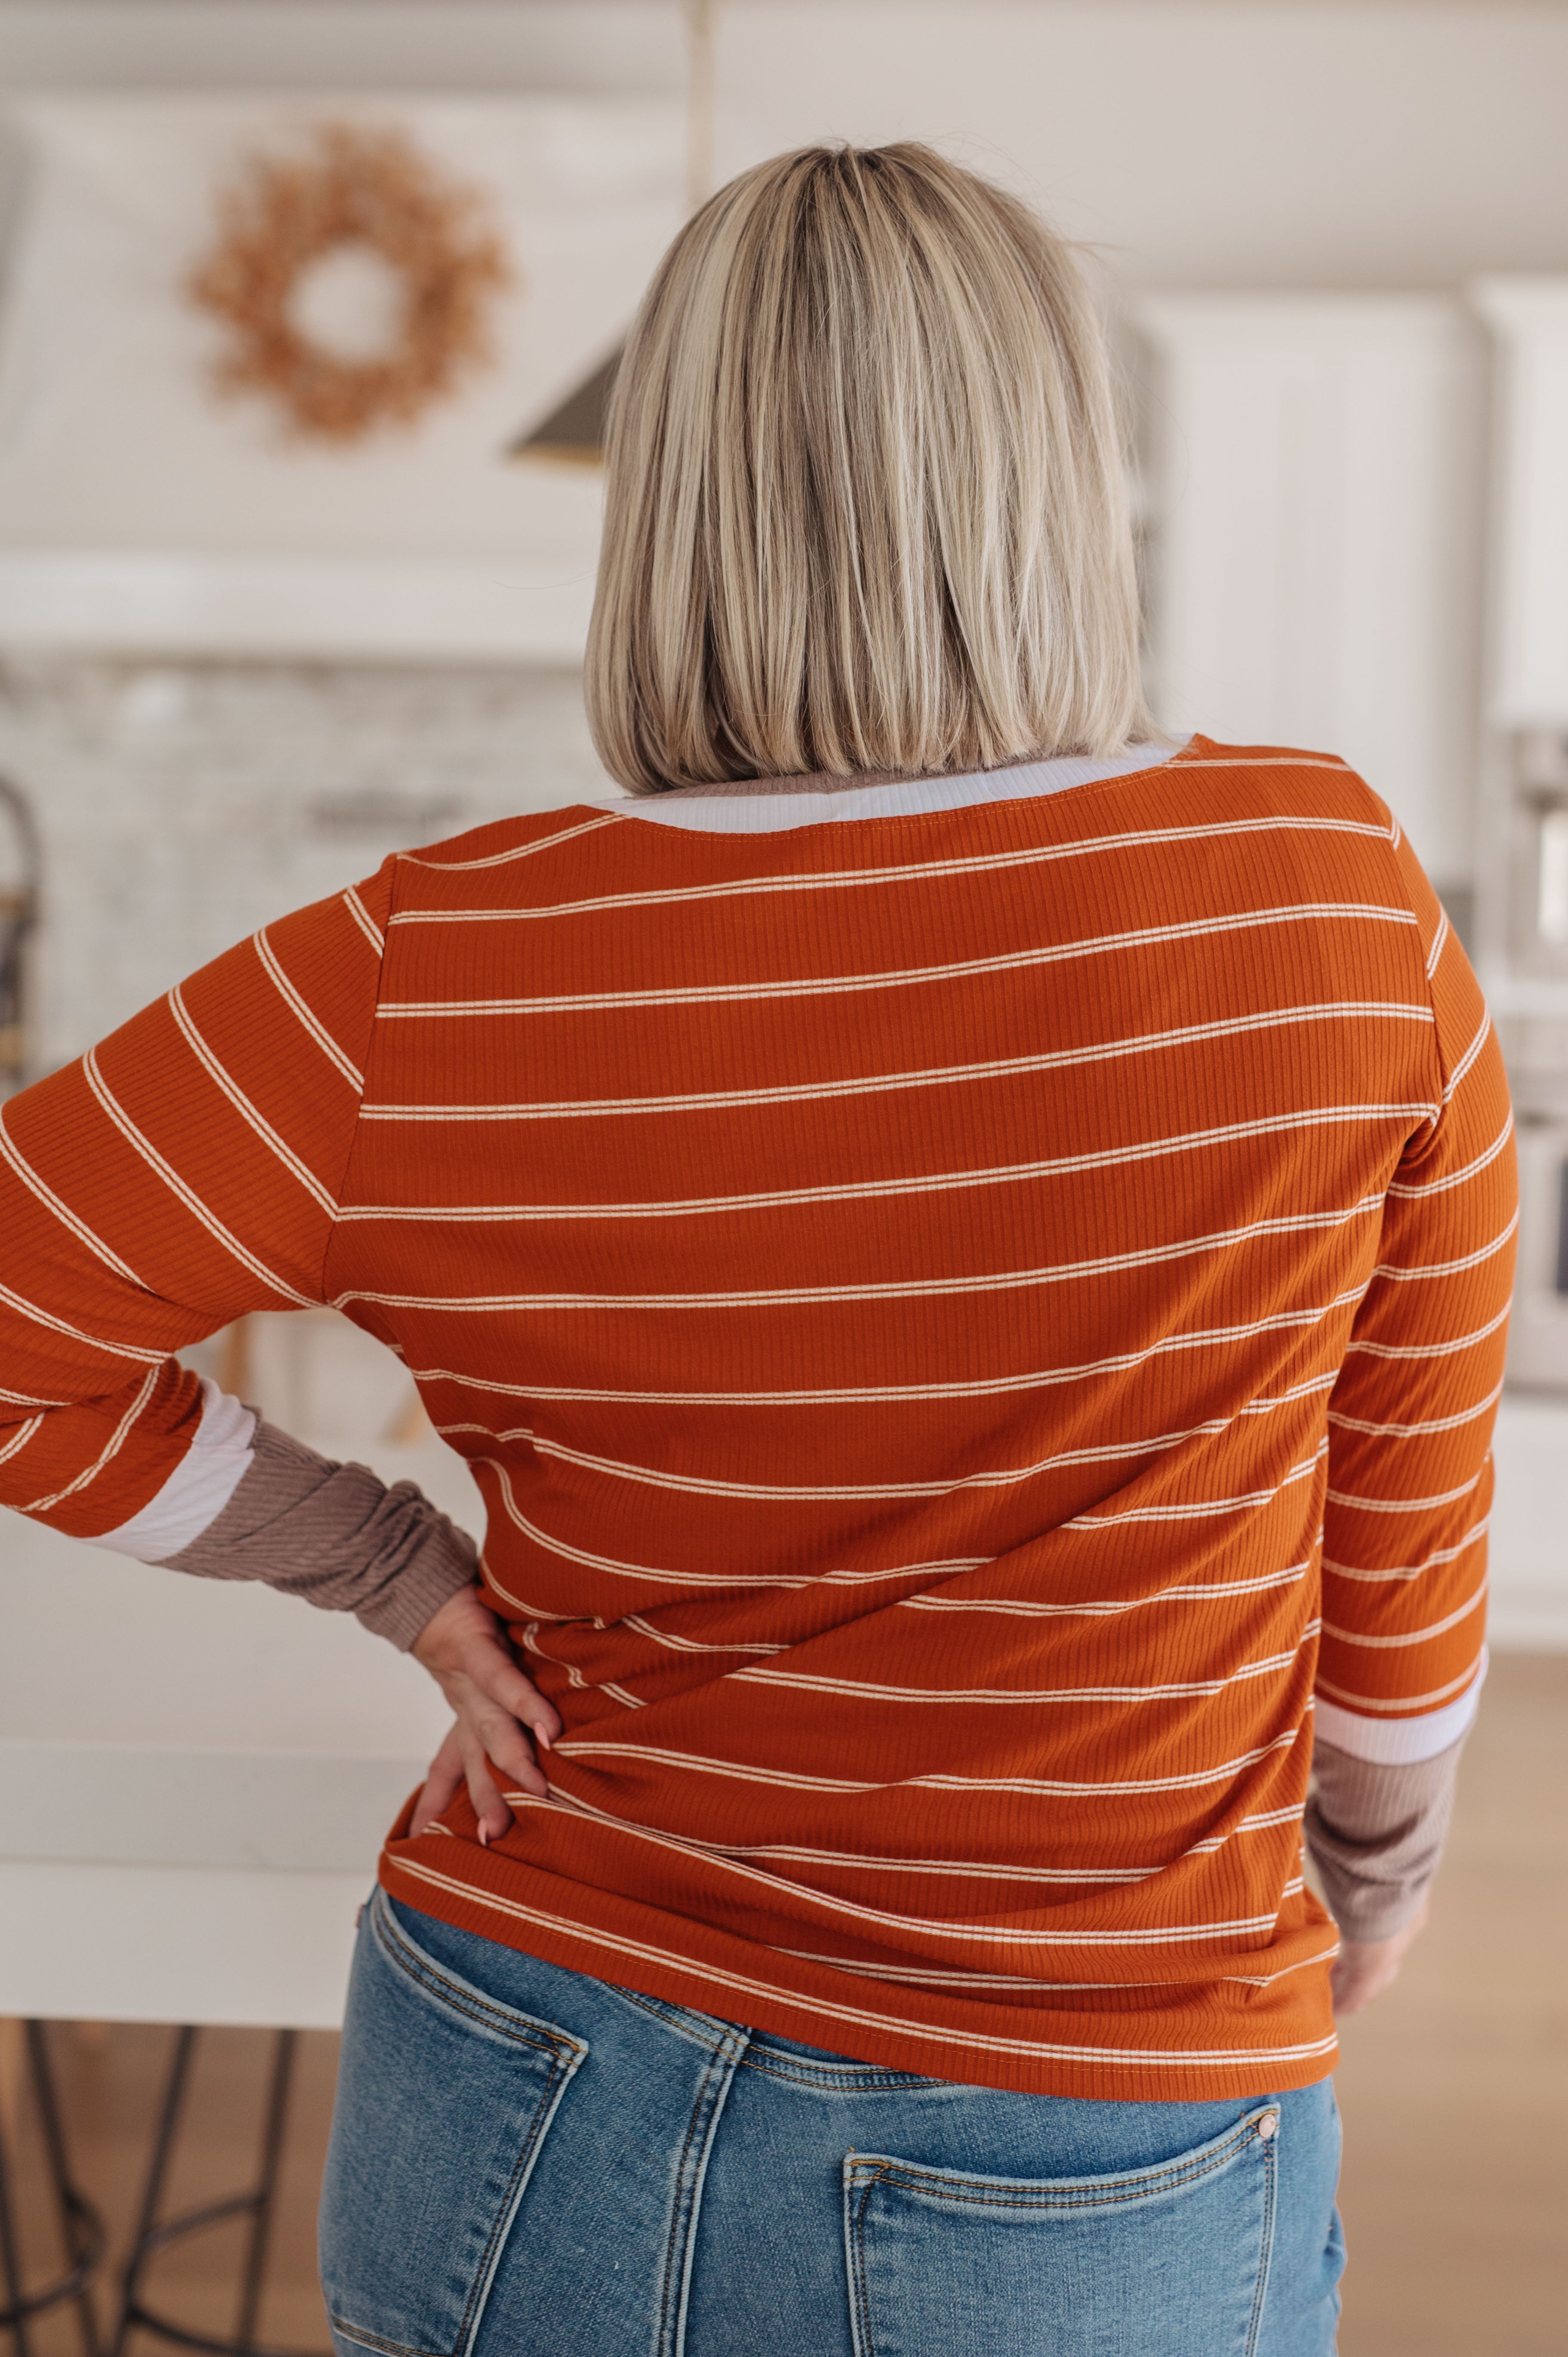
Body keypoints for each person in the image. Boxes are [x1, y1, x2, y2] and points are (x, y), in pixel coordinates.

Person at [0, 144, 1513, 2357]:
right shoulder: (1321, 893)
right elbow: (1404, 1567)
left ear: (665, 496)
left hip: (523, 2076)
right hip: (1090, 2118)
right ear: (1053, 481)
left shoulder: (428, 962)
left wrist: (388, 1565)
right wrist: (1371, 1865)